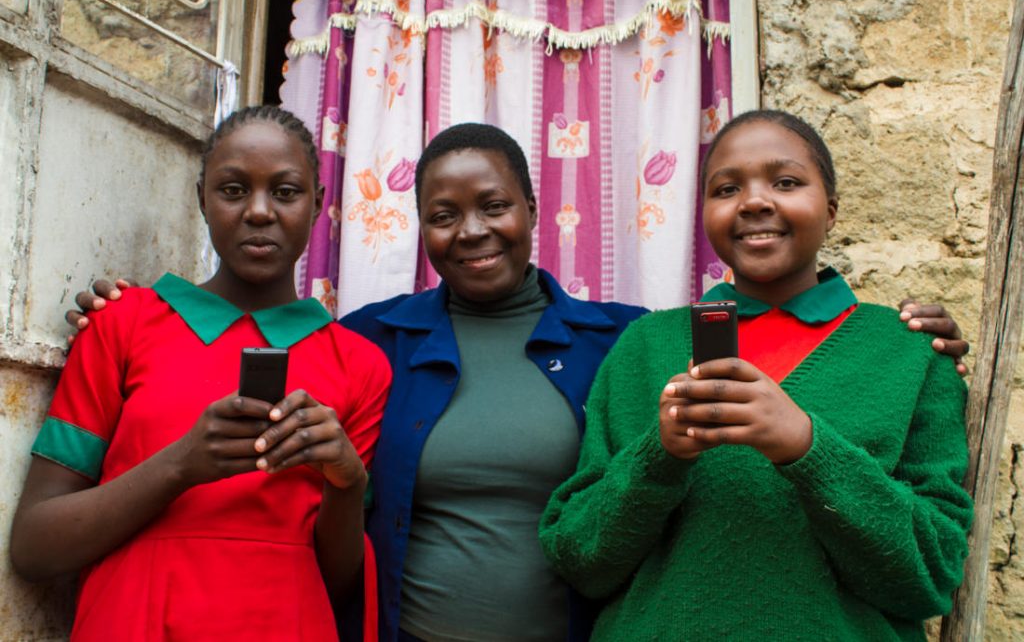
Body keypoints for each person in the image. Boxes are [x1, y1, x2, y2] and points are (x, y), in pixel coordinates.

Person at [65, 122, 970, 642]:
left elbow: (928, 555)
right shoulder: (368, 344)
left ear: (535, 212)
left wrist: (912, 336)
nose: (472, 232)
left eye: (494, 206)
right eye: (443, 216)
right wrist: (128, 312)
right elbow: (249, 350)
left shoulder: (617, 340)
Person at [538, 110, 973, 641]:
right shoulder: (645, 348)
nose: (754, 201)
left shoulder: (911, 353)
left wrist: (806, 447)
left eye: (786, 182)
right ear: (704, 214)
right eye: (726, 189)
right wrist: (661, 455)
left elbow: (931, 578)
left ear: (831, 210)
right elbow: (581, 561)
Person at [10, 106, 391, 642]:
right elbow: (34, 546)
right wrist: (181, 465)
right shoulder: (122, 322)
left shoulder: (361, 365)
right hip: (134, 620)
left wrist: (347, 481)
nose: (259, 212)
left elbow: (337, 583)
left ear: (319, 204)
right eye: (233, 190)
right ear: (201, 199)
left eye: (285, 192)